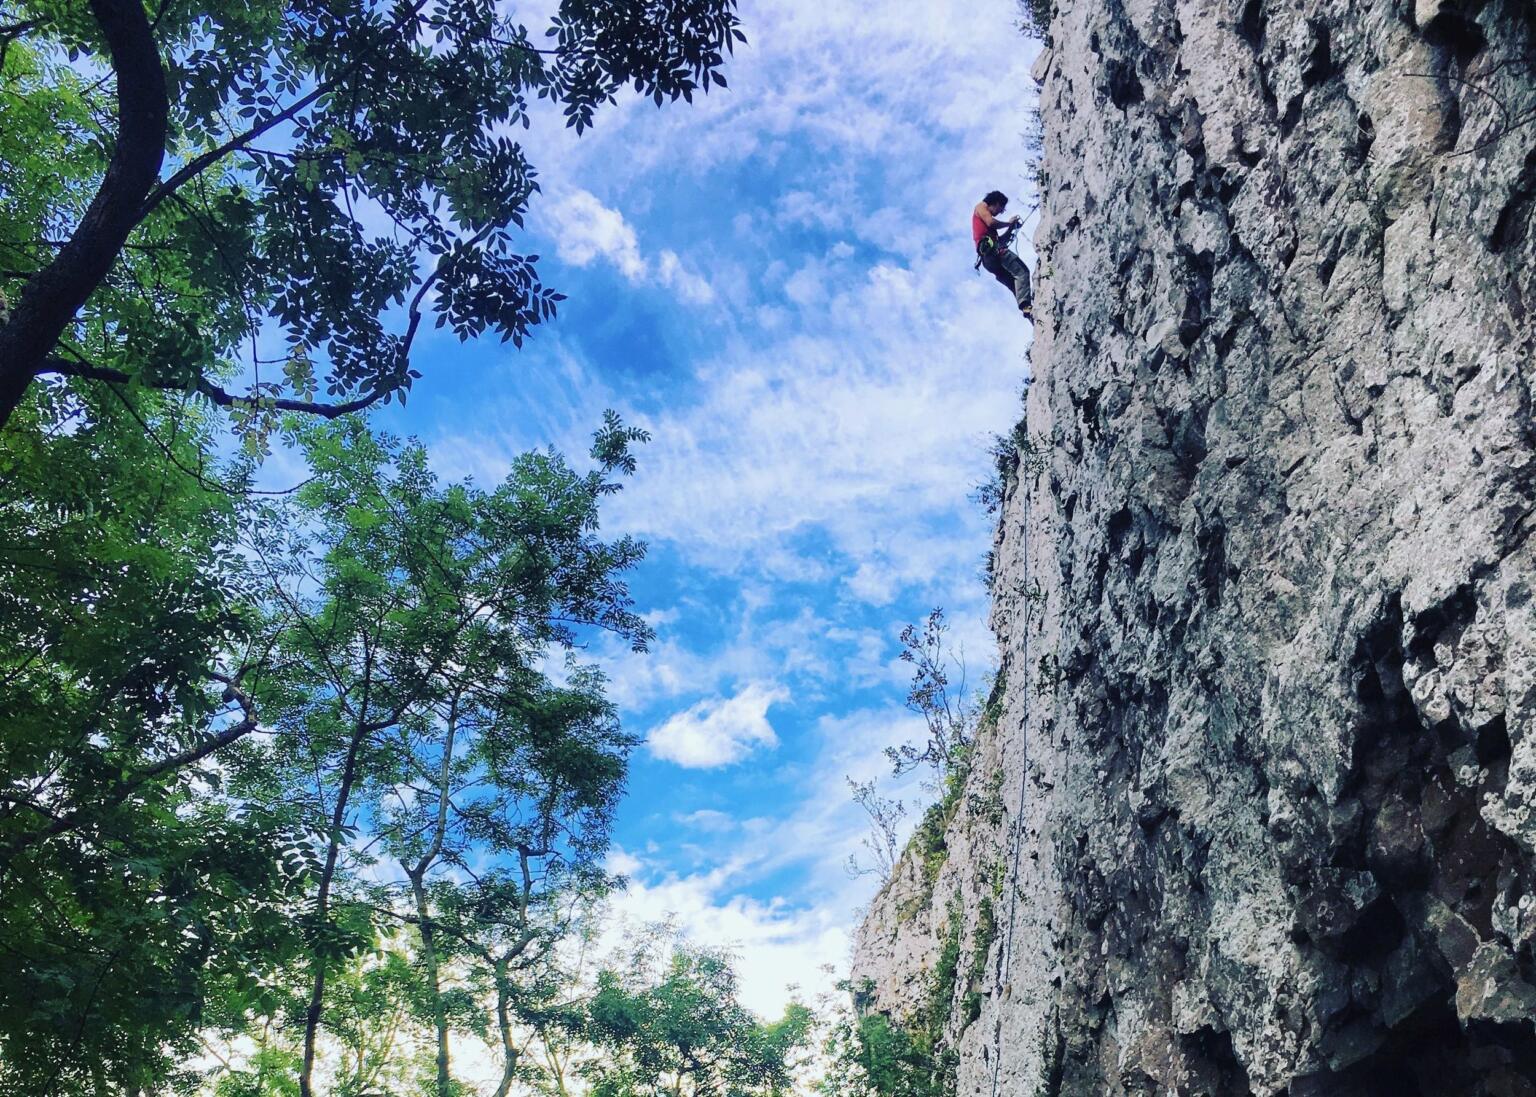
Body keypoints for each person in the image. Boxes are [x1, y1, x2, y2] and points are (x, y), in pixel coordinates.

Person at [973, 190, 1032, 320]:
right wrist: (1008, 223)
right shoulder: (981, 207)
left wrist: (1010, 229)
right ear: (996, 203)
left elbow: (1001, 240)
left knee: (1013, 282)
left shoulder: (988, 230)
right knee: (1022, 272)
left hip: (989, 259)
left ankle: (1028, 311)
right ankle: (1027, 305)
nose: (1000, 212)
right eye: (1001, 208)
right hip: (994, 252)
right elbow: (991, 222)